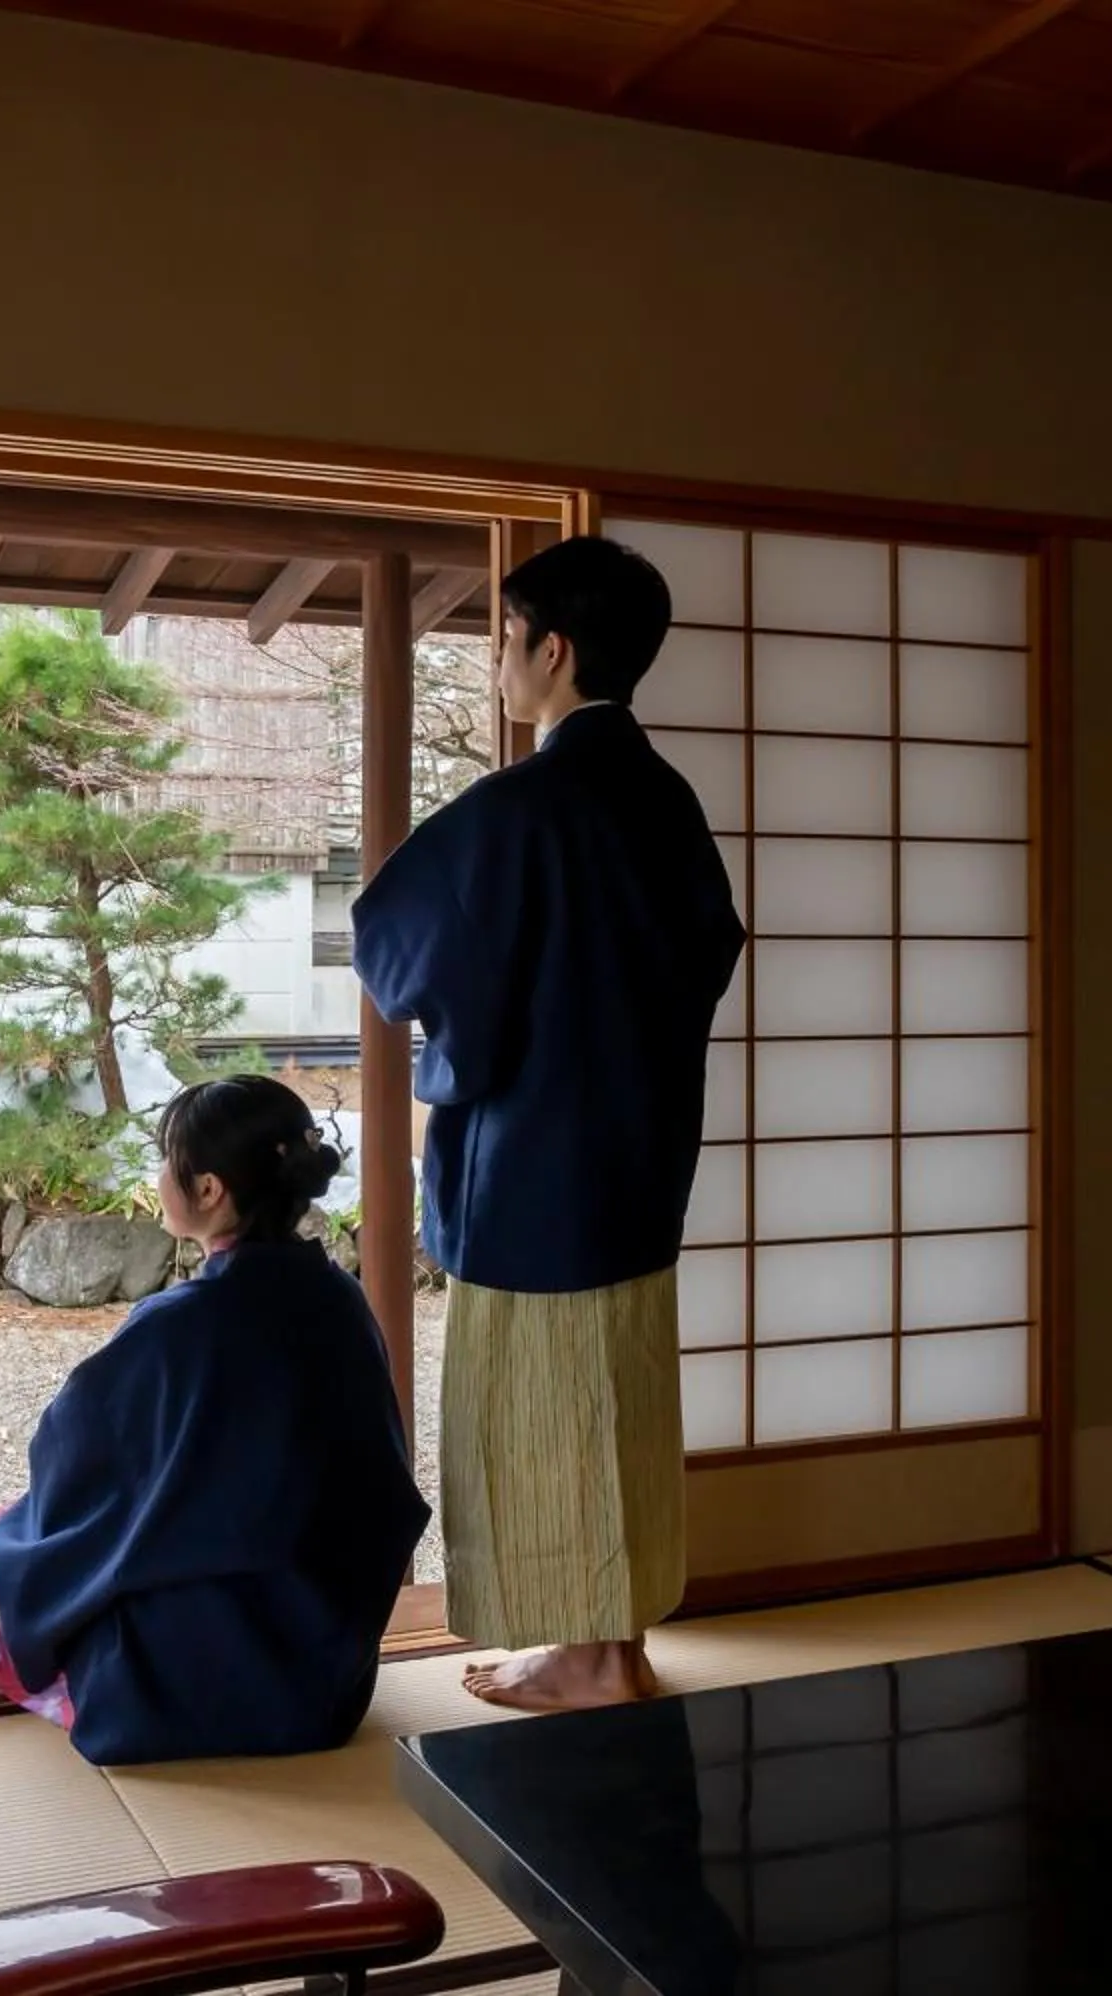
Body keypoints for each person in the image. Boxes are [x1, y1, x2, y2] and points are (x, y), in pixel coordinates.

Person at [0, 1075, 430, 1765]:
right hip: (322, 1668)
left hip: (196, 1673)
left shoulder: (183, 1323)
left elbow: (71, 1453)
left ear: (211, 1190)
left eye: (168, 1163)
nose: (159, 1178)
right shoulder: (339, 1297)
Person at [353, 534, 745, 1714]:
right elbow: (708, 952)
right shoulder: (666, 799)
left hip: (532, 1163)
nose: (498, 663)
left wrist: (499, 1028)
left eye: (505, 638)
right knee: (618, 1390)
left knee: (541, 1405)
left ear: (553, 650)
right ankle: (612, 1644)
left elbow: (400, 950)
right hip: (637, 1152)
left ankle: (583, 1658)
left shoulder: (521, 809)